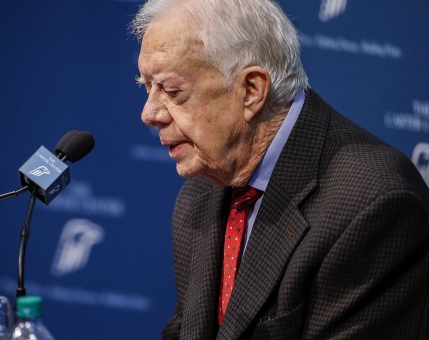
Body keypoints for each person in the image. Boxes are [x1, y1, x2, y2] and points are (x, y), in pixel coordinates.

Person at [131, 0, 429, 339]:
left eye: (171, 91)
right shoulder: (200, 193)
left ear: (252, 90)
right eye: (146, 86)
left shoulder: (373, 203)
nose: (149, 113)